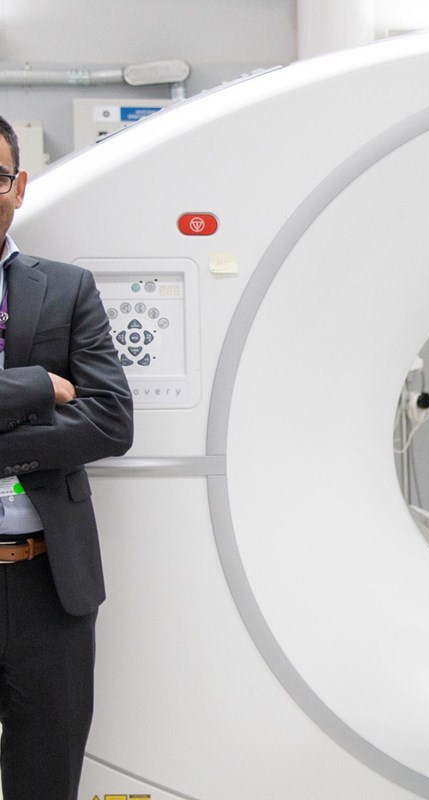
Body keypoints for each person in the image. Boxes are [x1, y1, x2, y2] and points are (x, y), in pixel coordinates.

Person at [0, 115, 134, 799]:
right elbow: (63, 411)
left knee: (47, 784)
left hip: (49, 587)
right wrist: (29, 387)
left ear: (18, 187)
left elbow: (110, 420)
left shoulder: (67, 288)